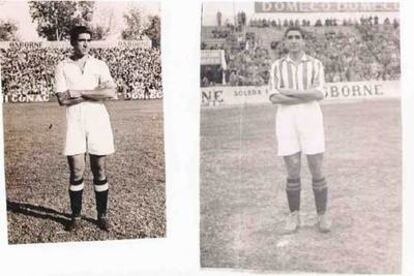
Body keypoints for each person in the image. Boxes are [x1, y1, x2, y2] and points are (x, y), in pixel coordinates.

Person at [269, 26, 330, 234]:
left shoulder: (315, 64)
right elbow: (274, 97)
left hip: (311, 116)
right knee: (293, 167)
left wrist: (290, 92)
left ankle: (322, 215)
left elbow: (319, 94)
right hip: (286, 118)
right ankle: (294, 215)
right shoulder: (277, 66)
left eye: (298, 37)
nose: (294, 41)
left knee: (316, 166)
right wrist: (304, 94)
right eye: (290, 38)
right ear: (285, 42)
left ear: (303, 41)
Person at [54, 26, 116, 232]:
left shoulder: (99, 64)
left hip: (98, 120)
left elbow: (109, 92)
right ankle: (76, 216)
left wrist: (78, 92)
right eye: (81, 40)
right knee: (77, 171)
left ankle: (102, 215)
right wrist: (94, 92)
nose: (86, 44)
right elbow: (62, 99)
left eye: (88, 40)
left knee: (99, 170)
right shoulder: (62, 66)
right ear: (72, 42)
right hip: (74, 122)